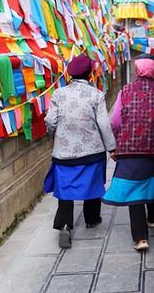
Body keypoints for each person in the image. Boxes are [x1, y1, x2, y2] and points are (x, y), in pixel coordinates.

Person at [103, 54, 154, 251]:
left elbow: (115, 121)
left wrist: (119, 139)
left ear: (137, 70)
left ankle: (140, 238)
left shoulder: (125, 91)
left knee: (133, 189)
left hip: (130, 148)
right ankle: (153, 217)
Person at [44, 54, 116, 249]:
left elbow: (50, 120)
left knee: (65, 189)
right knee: (92, 184)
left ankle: (65, 225)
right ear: (90, 73)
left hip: (64, 153)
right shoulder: (96, 94)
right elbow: (103, 124)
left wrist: (55, 137)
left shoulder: (59, 94)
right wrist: (112, 147)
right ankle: (92, 219)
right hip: (92, 151)